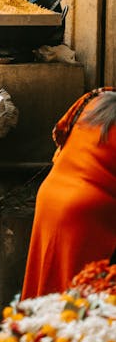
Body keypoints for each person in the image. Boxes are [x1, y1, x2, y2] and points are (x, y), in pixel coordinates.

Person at [21, 88, 116, 300]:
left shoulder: (95, 98)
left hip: (50, 195)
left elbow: (61, 135)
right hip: (86, 209)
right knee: (79, 289)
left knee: (50, 279)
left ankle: (43, 329)